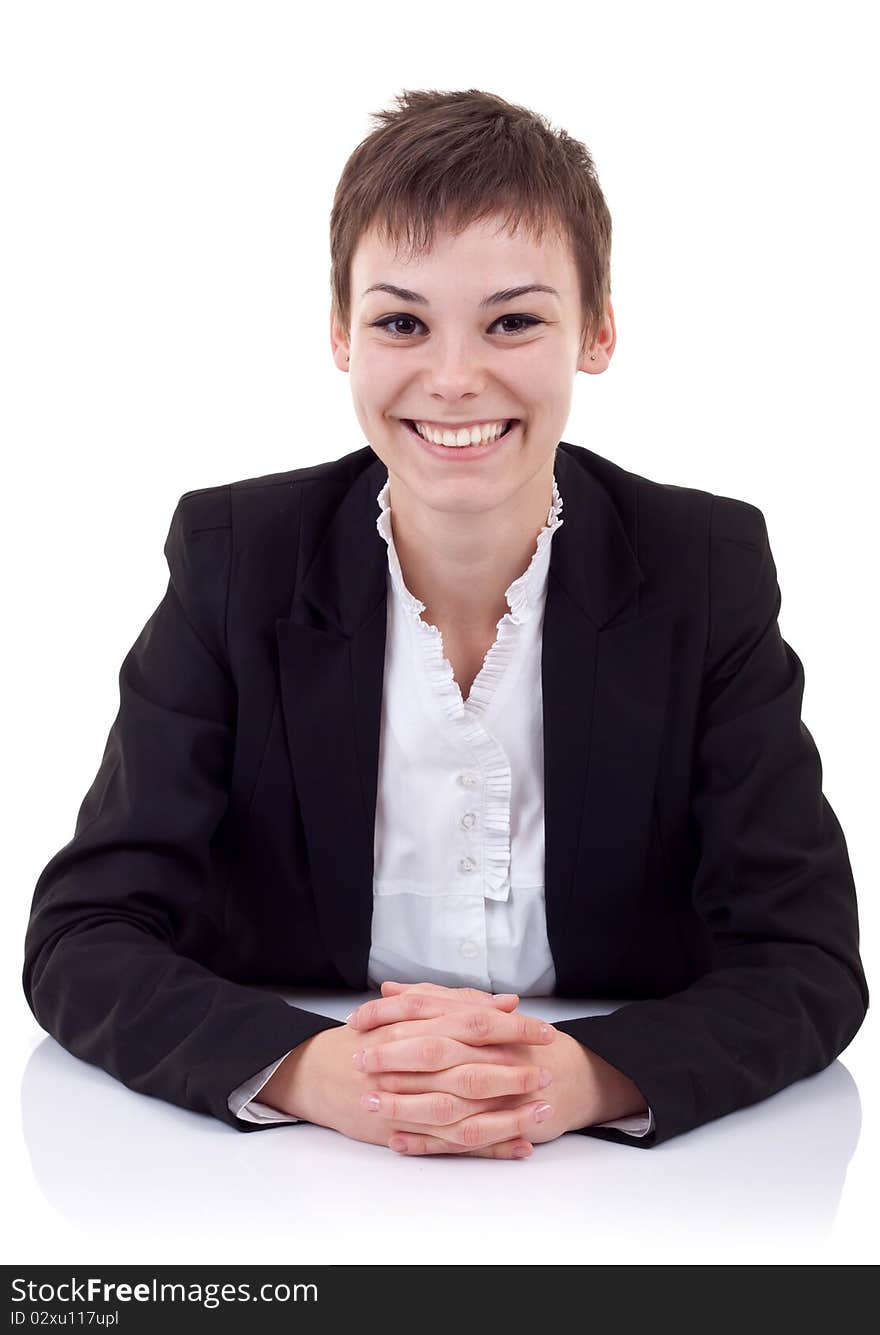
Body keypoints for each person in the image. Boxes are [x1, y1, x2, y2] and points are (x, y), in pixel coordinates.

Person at [22, 88, 868, 1160]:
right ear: (341, 334)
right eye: (400, 322)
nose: (454, 376)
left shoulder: (705, 569)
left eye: (513, 320)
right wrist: (320, 1071)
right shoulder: (235, 558)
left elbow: (804, 958)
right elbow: (83, 936)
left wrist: (584, 1077)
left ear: (596, 332)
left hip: (625, 1211)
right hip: (284, 1184)